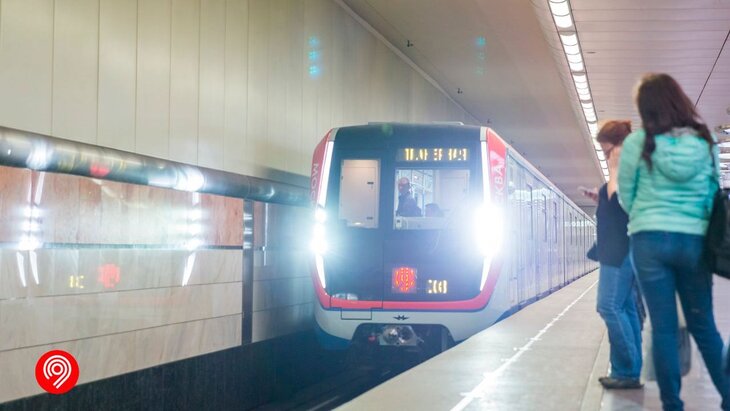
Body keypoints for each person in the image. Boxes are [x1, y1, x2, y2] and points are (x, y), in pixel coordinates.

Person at [618, 73, 729, 411]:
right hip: (694, 243)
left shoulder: (638, 143)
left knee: (664, 328)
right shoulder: (706, 141)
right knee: (703, 325)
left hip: (649, 241)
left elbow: (626, 196)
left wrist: (646, 215)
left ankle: (672, 405)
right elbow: (713, 193)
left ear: (646, 107)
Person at [586, 120, 644, 389]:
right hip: (617, 250)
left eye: (607, 150)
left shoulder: (628, 170)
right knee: (625, 307)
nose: (607, 156)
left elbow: (629, 207)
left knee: (608, 306)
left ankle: (628, 371)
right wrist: (601, 198)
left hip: (619, 251)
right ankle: (627, 370)